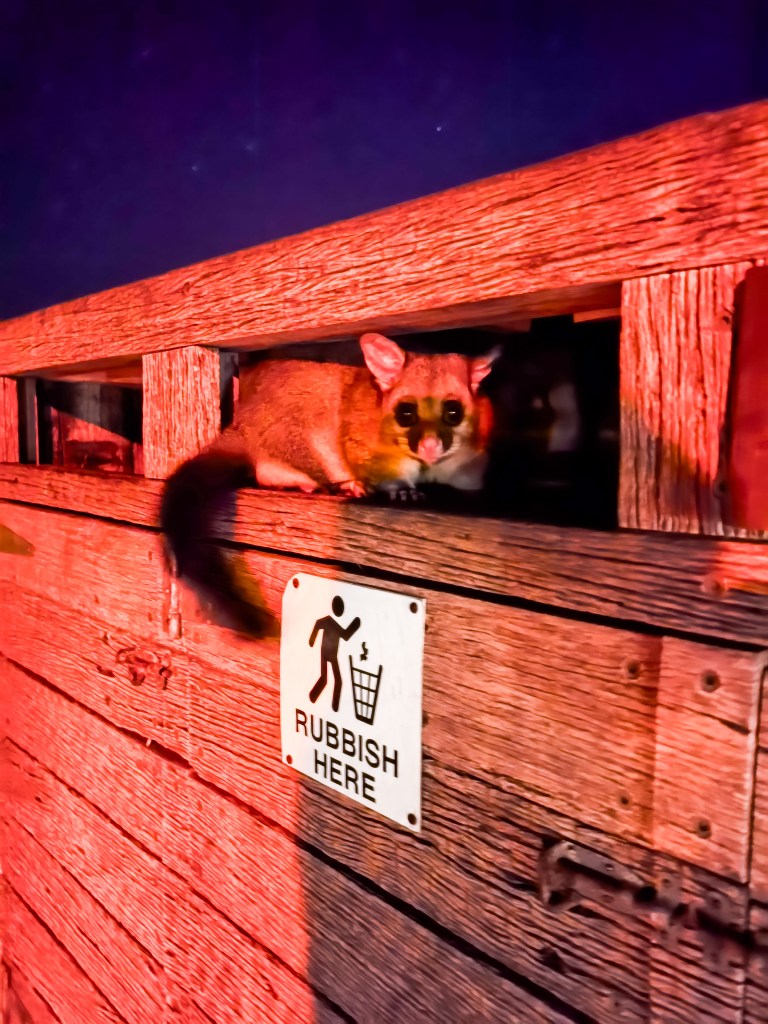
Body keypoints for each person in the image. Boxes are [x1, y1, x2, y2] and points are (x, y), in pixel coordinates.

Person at [308, 596, 361, 712]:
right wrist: (312, 639)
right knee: (332, 679)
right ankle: (326, 703)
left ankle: (331, 705)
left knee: (328, 679)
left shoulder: (331, 623)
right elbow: (346, 635)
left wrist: (356, 624)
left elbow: (346, 635)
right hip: (328, 654)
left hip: (330, 655)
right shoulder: (329, 622)